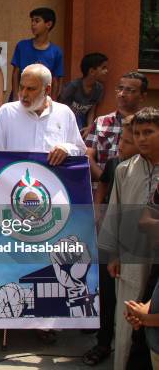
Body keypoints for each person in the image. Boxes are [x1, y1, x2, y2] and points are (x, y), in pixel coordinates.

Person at [99, 107, 159, 370]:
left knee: (154, 319)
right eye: (138, 133)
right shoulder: (125, 170)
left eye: (149, 132)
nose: (142, 138)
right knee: (127, 320)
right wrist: (113, 254)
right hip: (131, 256)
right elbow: (114, 212)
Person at [82, 115, 138, 366]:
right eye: (121, 140)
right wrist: (97, 216)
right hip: (111, 235)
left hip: (138, 243)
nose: (120, 146)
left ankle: (134, 348)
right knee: (106, 293)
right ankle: (104, 342)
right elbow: (103, 188)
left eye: (127, 141)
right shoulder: (117, 164)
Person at [0, 63, 86, 165]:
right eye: (21, 87)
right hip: (15, 179)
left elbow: (80, 149)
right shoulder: (6, 113)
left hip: (52, 179)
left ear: (47, 90)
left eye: (30, 89)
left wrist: (66, 149)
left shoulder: (64, 113)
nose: (23, 94)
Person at [86, 71, 147, 181]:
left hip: (136, 188)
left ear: (142, 96)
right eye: (120, 88)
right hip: (102, 190)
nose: (122, 94)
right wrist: (106, 181)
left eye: (130, 90)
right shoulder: (101, 122)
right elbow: (88, 156)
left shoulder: (148, 125)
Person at [10, 7, 64, 100]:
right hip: (21, 96)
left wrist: (53, 101)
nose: (33, 24)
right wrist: (15, 96)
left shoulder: (56, 52)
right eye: (32, 21)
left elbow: (55, 80)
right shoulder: (22, 46)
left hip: (42, 100)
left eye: (37, 21)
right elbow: (15, 73)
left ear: (48, 24)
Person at [59, 53, 108, 135]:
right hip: (66, 122)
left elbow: (92, 110)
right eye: (103, 68)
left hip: (82, 125)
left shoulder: (99, 89)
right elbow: (59, 106)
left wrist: (89, 126)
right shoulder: (73, 87)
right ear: (92, 71)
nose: (106, 71)